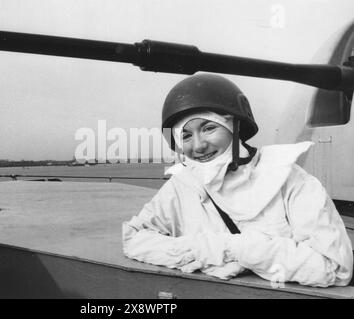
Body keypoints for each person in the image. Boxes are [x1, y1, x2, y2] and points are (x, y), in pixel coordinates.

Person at [122, 73, 353, 287]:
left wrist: (235, 249)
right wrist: (205, 249)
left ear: (236, 125)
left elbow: (334, 267)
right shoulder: (183, 185)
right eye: (186, 135)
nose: (198, 145)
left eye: (209, 128)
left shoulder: (289, 180)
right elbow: (134, 238)